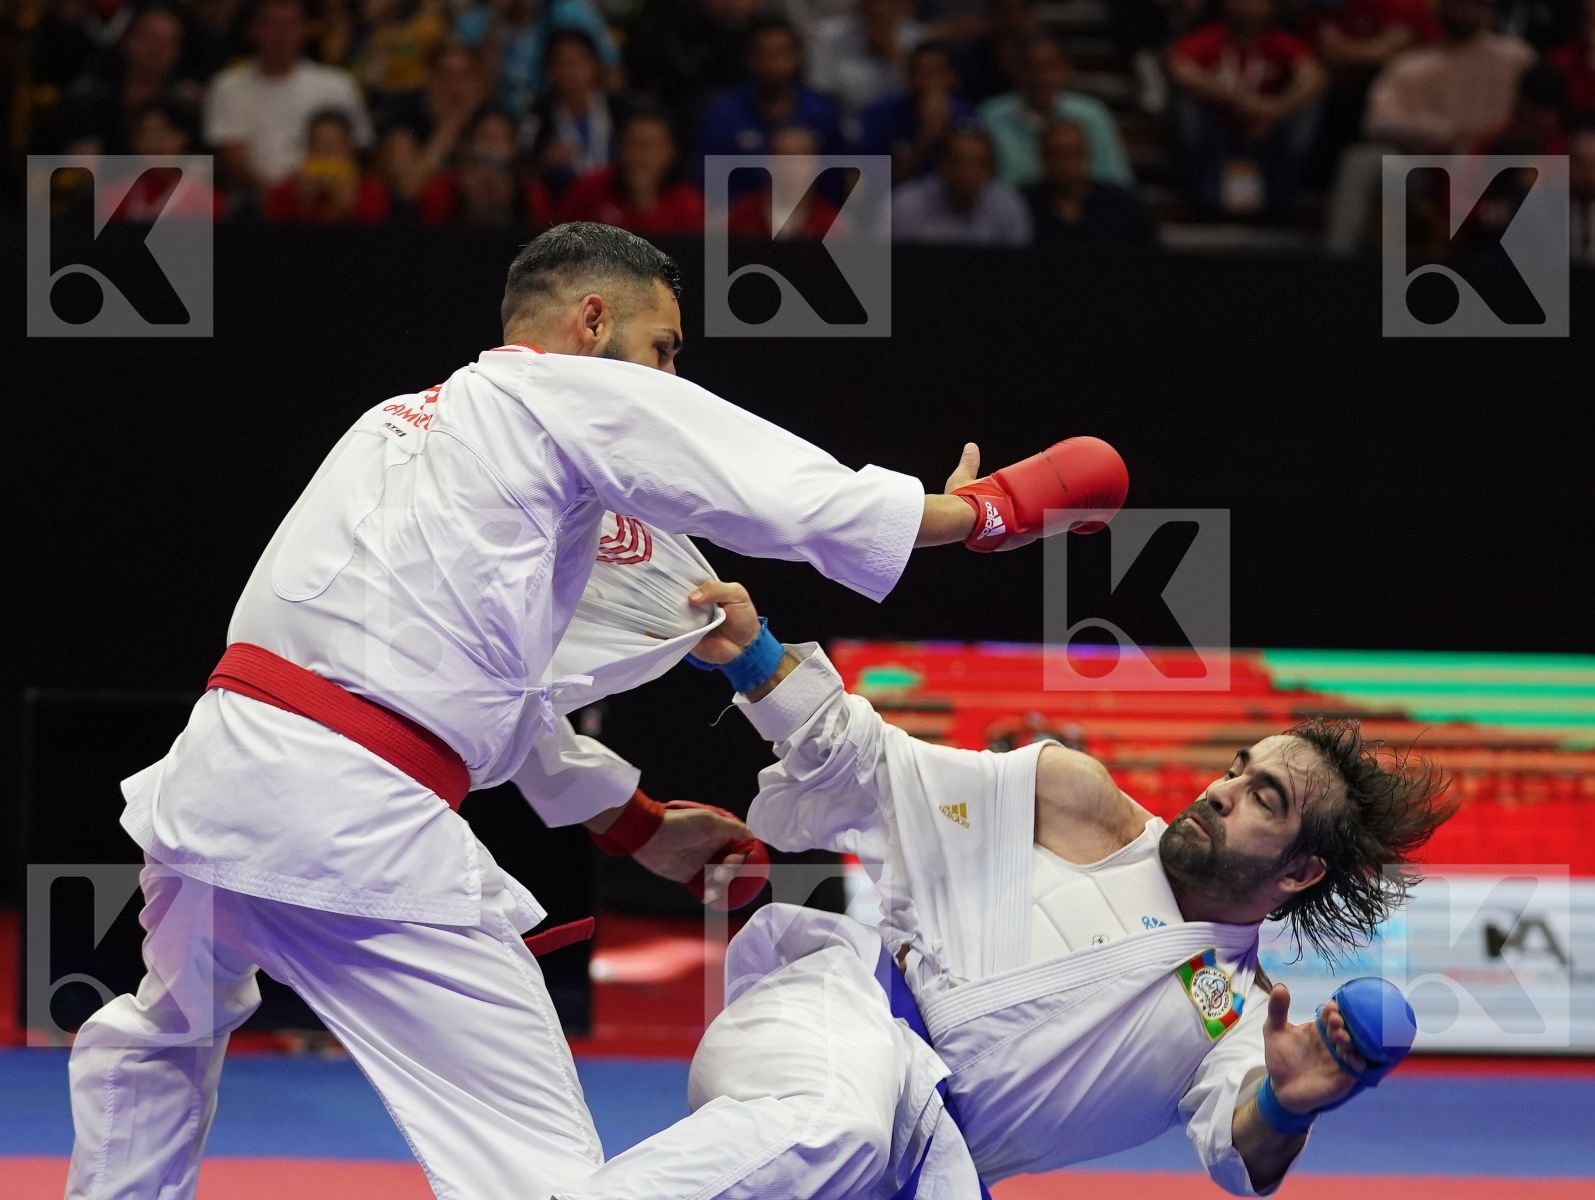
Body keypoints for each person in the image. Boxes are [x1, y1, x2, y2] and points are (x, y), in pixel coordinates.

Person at [64, 221, 1092, 1200]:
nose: (667, 382)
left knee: (161, 1034)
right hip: (353, 824)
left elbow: (474, 685)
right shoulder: (554, 392)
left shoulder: (398, 429)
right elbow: (772, 492)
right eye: (662, 349)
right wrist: (976, 515)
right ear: (591, 323)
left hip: (214, 783)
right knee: (545, 1176)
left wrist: (635, 823)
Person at [557, 576, 1457, 1199]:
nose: (1223, 790)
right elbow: (871, 766)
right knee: (838, 1125)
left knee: (855, 1145)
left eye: (1263, 798)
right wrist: (753, 657)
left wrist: (1288, 1106)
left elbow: (1237, 1148)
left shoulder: (1236, 1018)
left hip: (920, 1165)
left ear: (1299, 871)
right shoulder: (1076, 801)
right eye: (1238, 767)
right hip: (838, 1018)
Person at [204, 0, 374, 199]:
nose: (281, 34)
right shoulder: (227, 86)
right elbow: (233, 157)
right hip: (256, 201)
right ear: (254, 29)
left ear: (304, 30)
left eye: (290, 25)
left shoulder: (338, 84)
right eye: (272, 25)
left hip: (330, 198)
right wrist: (281, 196)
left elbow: (359, 149)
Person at [1023, 118, 1159, 249]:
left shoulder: (1123, 205)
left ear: (1087, 155)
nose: (1064, 163)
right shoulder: (1022, 205)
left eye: (1072, 153)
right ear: (1041, 157)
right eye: (1054, 154)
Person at [891, 121, 1033, 244]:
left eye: (978, 164)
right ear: (942, 165)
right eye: (960, 162)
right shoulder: (907, 204)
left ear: (990, 171)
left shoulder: (1009, 205)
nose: (968, 173)